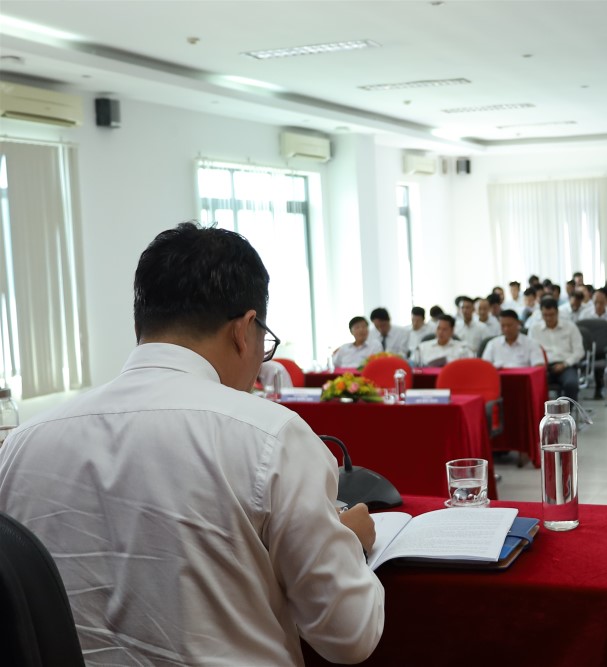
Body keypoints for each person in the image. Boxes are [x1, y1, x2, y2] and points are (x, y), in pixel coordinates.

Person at [0, 223, 383, 665]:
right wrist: (347, 543)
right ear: (245, 330)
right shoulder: (271, 437)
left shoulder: (21, 445)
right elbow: (349, 636)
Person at [529, 298, 584, 402]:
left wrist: (565, 364)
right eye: (545, 315)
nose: (549, 318)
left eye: (552, 315)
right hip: (543, 367)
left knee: (571, 384)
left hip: (565, 366)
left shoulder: (570, 327)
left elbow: (579, 351)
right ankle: (541, 414)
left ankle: (567, 414)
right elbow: (530, 350)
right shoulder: (534, 329)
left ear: (557, 312)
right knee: (533, 385)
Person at [482, 309, 546, 369]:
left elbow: (539, 366)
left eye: (509, 325)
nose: (506, 329)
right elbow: (484, 368)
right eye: (503, 326)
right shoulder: (492, 344)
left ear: (518, 323)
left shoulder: (531, 343)